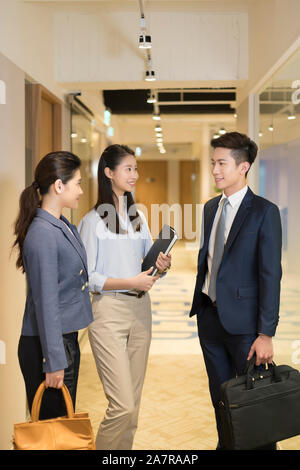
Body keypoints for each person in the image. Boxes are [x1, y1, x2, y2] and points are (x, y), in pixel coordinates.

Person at [189, 132, 282, 450]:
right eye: (213, 162)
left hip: (245, 328)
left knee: (252, 407)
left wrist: (266, 333)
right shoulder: (210, 208)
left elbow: (271, 275)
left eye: (221, 163)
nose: (215, 170)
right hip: (210, 321)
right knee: (222, 401)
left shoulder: (263, 212)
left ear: (243, 166)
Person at [78, 144, 171, 450]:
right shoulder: (92, 222)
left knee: (134, 409)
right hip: (109, 314)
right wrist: (130, 280)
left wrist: (159, 266)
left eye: (135, 168)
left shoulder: (137, 217)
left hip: (140, 313)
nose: (135, 174)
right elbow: (88, 278)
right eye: (128, 169)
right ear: (109, 173)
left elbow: (146, 264)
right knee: (122, 406)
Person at [13, 151, 93, 420]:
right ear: (59, 186)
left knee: (61, 427)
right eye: (78, 183)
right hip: (48, 345)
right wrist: (54, 360)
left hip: (63, 340)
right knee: (52, 431)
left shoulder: (61, 225)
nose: (81, 190)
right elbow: (46, 303)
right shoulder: (42, 233)